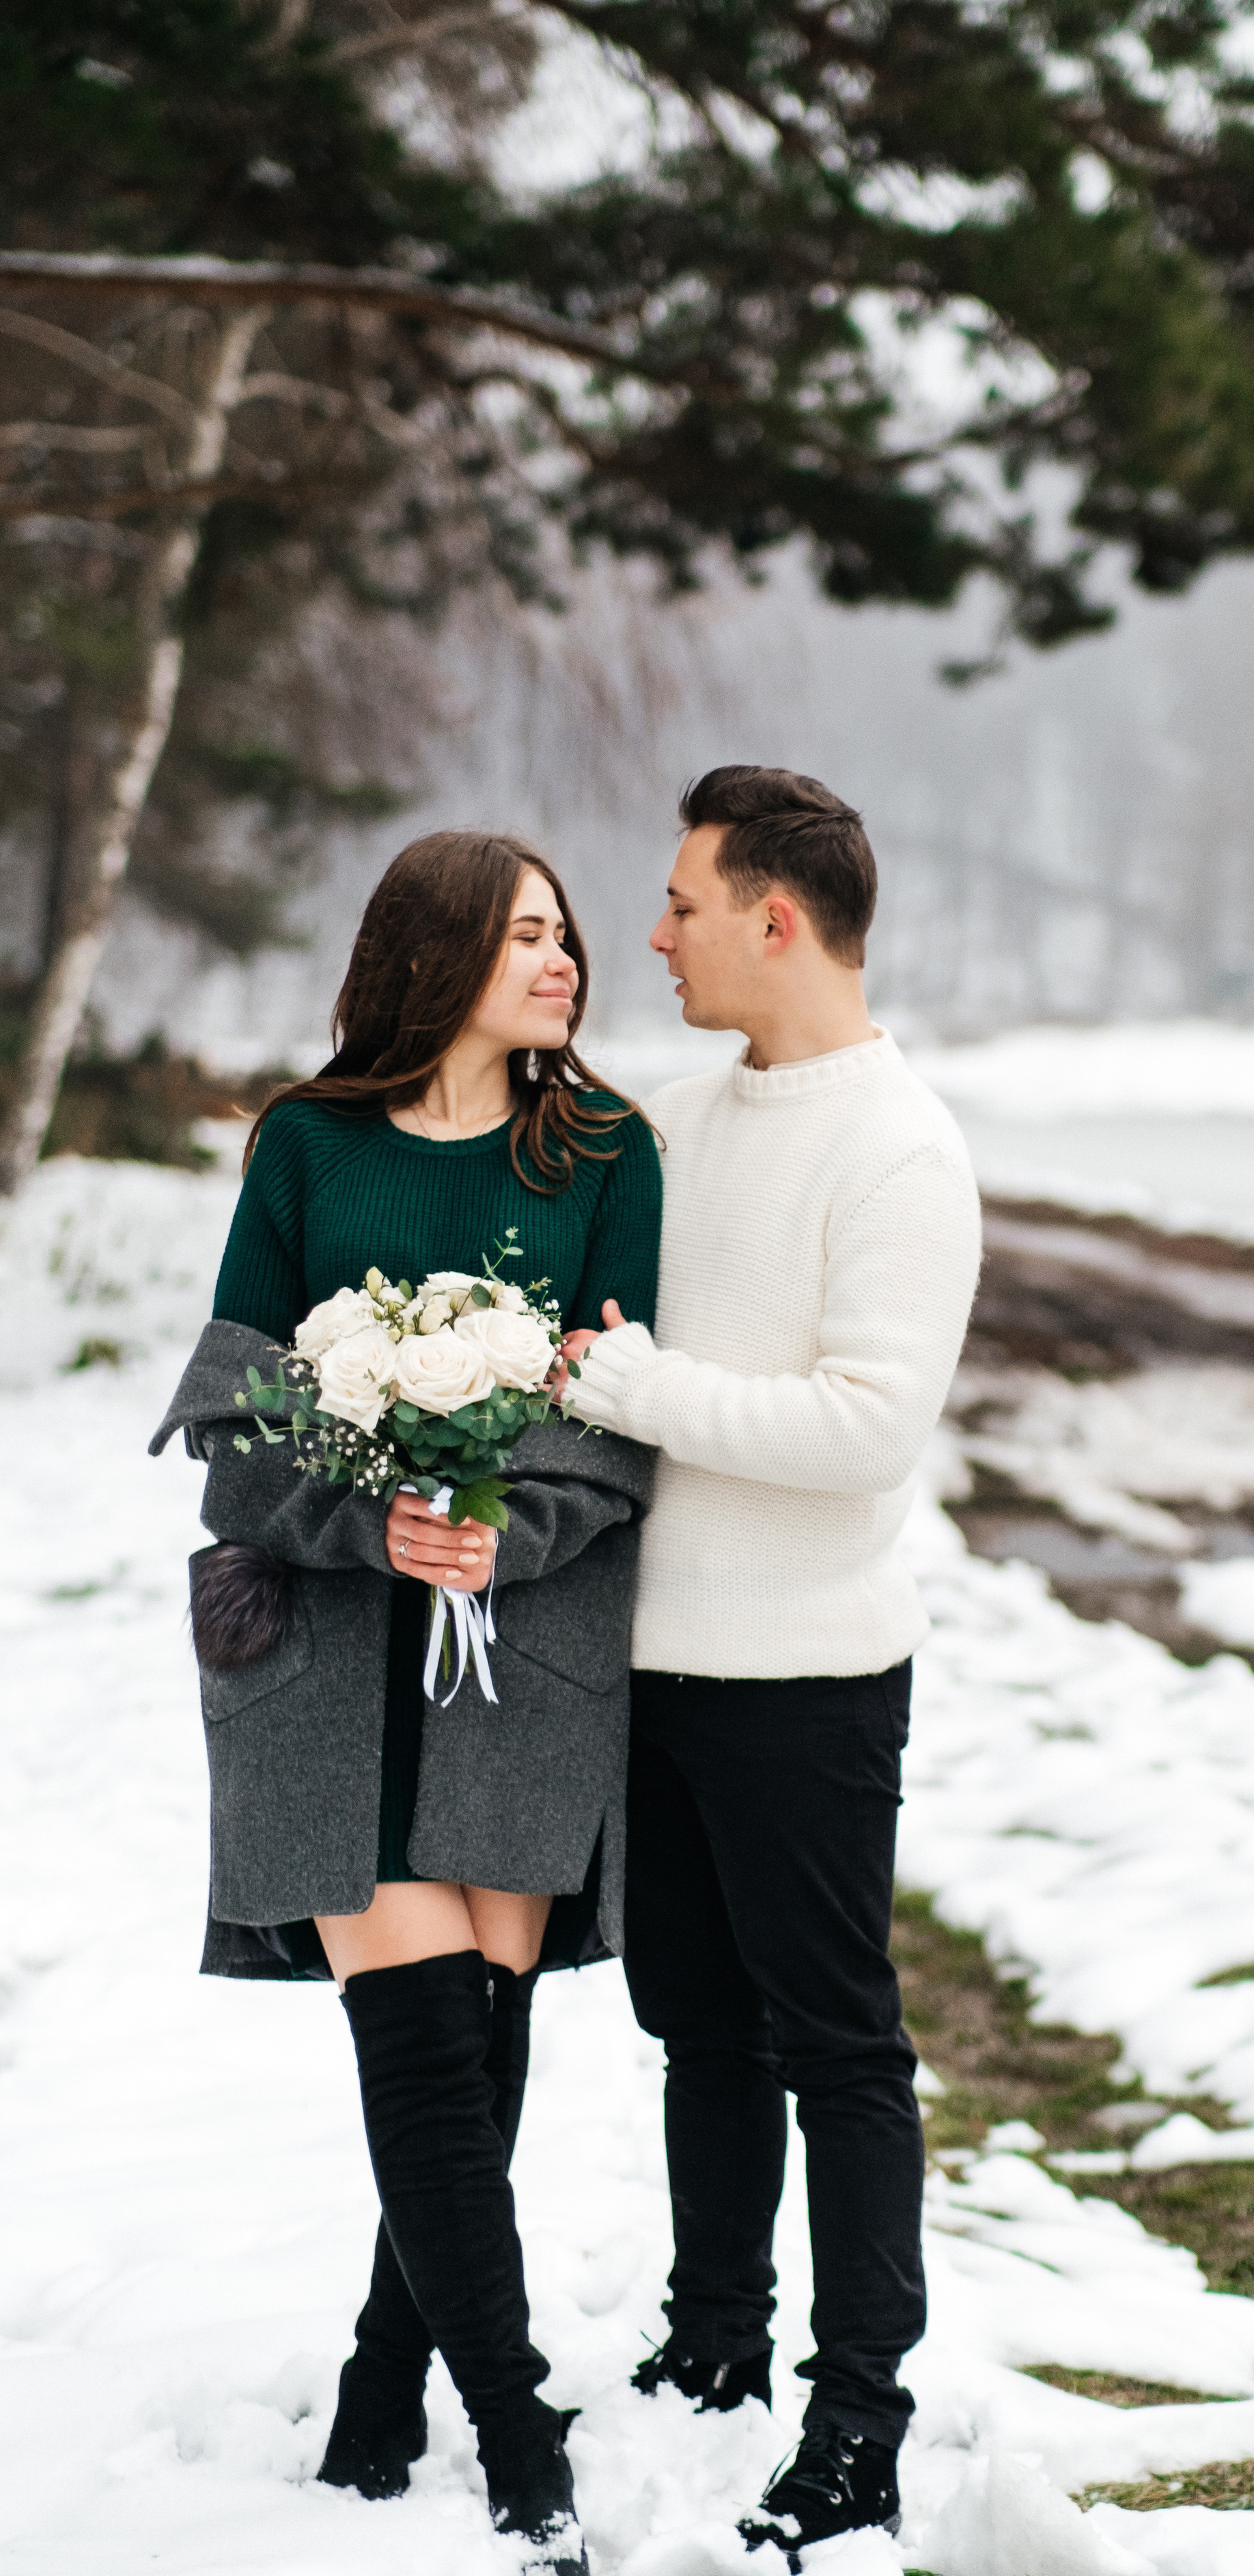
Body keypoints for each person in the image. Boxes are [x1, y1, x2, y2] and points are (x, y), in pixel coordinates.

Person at [148, 831, 663, 2575]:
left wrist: (505, 1527)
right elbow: (234, 1404)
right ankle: (517, 2435)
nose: (563, 961)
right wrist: (375, 1515)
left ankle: (386, 2382)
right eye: (526, 934)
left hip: (528, 1644)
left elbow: (618, 1397)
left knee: (479, 2045)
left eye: (567, 934)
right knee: (424, 2043)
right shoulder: (304, 1144)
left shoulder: (602, 1149)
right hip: (329, 1651)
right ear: (434, 954)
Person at [560, 766, 982, 2556]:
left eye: (678, 905)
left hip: (807, 1682)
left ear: (774, 919)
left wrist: (637, 1387)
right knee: (696, 2029)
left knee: (836, 2046)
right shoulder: (673, 1119)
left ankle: (860, 2415)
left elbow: (864, 1429)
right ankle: (715, 2339)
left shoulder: (901, 1148)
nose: (648, 936)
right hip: (653, 1670)